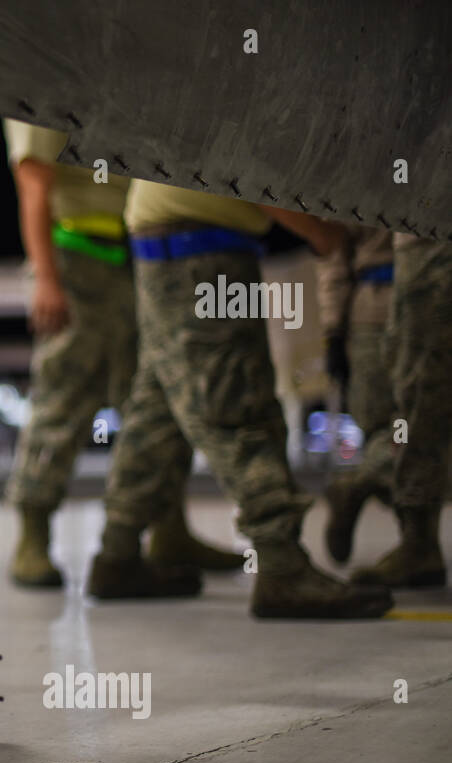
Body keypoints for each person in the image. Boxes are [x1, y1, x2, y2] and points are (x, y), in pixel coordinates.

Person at [87, 177, 394, 618]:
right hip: (203, 249)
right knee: (238, 404)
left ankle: (117, 553)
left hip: (167, 244)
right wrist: (321, 233)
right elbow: (248, 171)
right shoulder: (258, 107)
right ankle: (282, 568)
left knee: (158, 411)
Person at [1, 120, 241, 589]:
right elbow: (33, 184)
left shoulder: (108, 87)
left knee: (154, 401)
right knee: (62, 398)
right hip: (77, 257)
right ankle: (33, 536)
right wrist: (46, 277)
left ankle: (169, 528)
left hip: (136, 255)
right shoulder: (44, 91)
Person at [351, 233, 451, 588]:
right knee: (415, 410)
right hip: (416, 258)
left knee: (420, 408)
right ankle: (417, 540)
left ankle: (360, 481)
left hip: (427, 250)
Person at [315, 226, 397, 563]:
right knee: (421, 428)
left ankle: (421, 544)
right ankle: (362, 483)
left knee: (391, 430)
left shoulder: (355, 175)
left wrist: (334, 329)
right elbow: (333, 252)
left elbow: (333, 253)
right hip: (408, 303)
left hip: (369, 308)